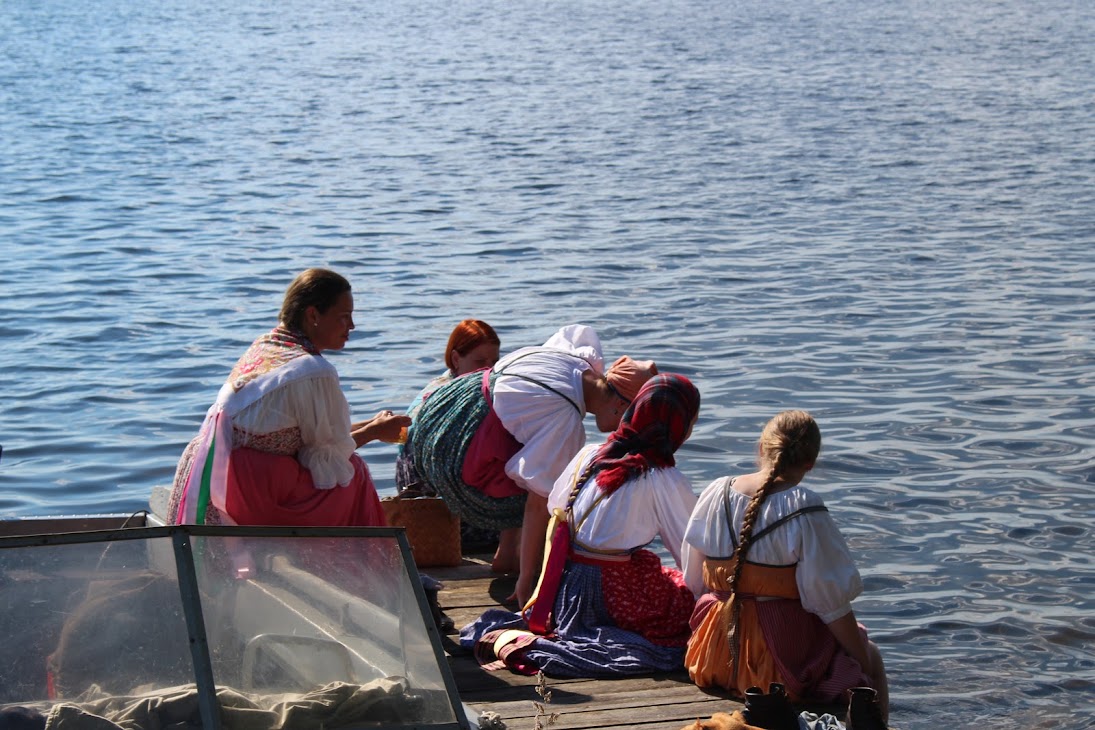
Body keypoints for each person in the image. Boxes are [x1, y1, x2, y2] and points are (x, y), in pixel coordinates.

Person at [460, 374, 702, 678]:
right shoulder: (660, 477)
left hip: (566, 585)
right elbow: (691, 548)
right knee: (685, 611)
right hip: (612, 593)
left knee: (667, 577)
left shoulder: (591, 454)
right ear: (678, 426)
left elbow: (555, 507)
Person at [410, 324, 657, 606]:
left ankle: (505, 554)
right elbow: (537, 504)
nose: (623, 429)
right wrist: (528, 579)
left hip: (443, 407)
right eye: (629, 418)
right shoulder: (563, 418)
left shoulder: (576, 361)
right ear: (619, 405)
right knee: (552, 485)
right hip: (451, 451)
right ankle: (522, 565)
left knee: (531, 457)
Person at [681, 410, 889, 720]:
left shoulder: (716, 492)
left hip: (711, 655)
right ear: (810, 463)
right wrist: (863, 658)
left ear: (761, 449)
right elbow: (829, 603)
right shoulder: (804, 509)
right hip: (775, 670)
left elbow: (693, 579)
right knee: (868, 654)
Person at [167, 268, 410, 527]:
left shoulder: (266, 345)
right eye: (344, 317)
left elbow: (305, 436)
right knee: (354, 471)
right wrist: (373, 433)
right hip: (247, 490)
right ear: (313, 315)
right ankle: (360, 564)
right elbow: (328, 457)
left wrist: (371, 424)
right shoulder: (315, 370)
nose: (351, 326)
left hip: (210, 474)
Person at [395, 319, 501, 493]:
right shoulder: (445, 397)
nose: (489, 370)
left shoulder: (465, 387)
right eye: (480, 362)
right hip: (422, 486)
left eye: (494, 362)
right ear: (456, 359)